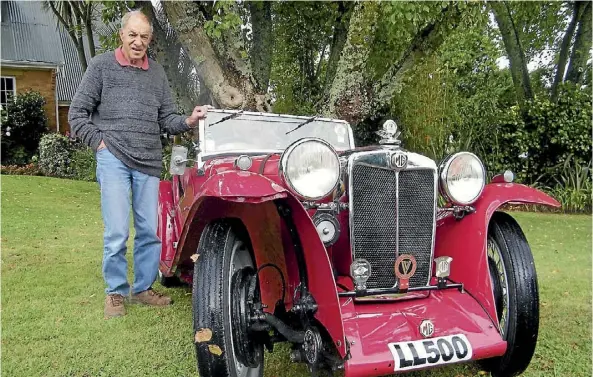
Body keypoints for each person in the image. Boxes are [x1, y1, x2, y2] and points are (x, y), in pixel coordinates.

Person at [68, 10, 208, 319]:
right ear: (122, 35)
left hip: (147, 161)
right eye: (132, 35)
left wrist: (188, 119)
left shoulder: (156, 74)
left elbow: (167, 118)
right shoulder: (101, 66)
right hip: (113, 158)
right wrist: (99, 143)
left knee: (149, 231)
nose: (138, 41)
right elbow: (77, 113)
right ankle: (115, 292)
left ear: (150, 40)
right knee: (117, 231)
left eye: (144, 36)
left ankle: (143, 288)